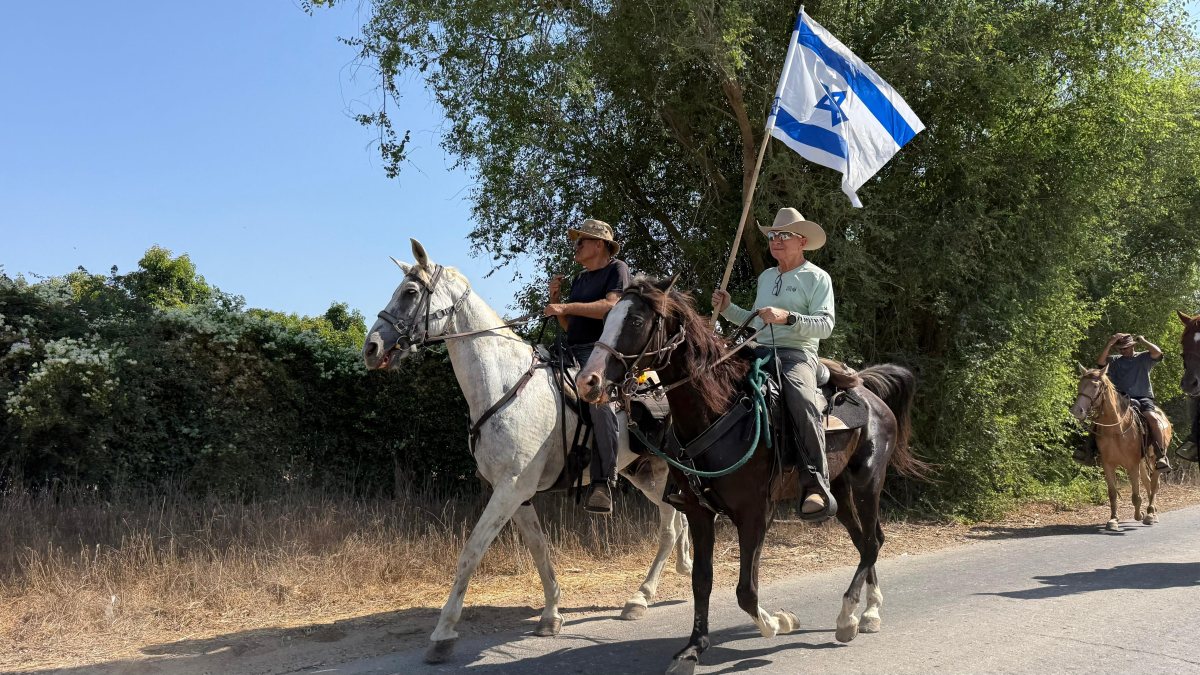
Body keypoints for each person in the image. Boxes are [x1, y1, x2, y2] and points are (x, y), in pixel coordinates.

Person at [711, 207, 837, 522]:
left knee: (802, 399)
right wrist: (729, 309)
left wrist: (788, 317)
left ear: (802, 241)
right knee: (710, 381)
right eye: (772, 235)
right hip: (758, 349)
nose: (775, 240)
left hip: (797, 354)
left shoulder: (817, 277)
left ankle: (815, 484)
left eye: (783, 235)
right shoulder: (767, 277)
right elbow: (755, 323)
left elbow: (825, 326)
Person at [544, 218, 630, 514]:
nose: (576, 246)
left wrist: (565, 306)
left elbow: (610, 306)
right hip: (571, 349)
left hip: (600, 353)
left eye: (581, 241)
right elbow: (570, 327)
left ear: (600, 244)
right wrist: (557, 301)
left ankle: (603, 483)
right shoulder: (580, 279)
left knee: (600, 402)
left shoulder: (617, 270)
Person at [1076, 333, 1171, 471]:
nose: (1122, 351)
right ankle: (1088, 451)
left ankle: (1160, 455)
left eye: (1125, 348)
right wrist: (1110, 343)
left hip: (1142, 397)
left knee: (1152, 419)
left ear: (1132, 346)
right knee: (1099, 419)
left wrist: (1143, 341)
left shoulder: (1143, 357)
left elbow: (1157, 352)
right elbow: (1100, 362)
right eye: (1120, 349)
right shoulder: (1114, 360)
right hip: (1120, 399)